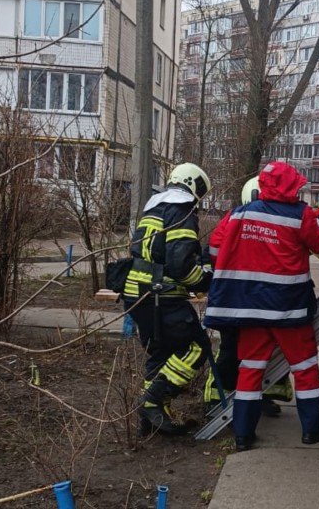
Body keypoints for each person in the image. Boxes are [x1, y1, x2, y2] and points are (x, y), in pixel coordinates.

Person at [204, 162, 319, 451]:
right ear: (289, 187)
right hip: (289, 309)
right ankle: (311, 430)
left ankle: (243, 435)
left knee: (250, 368)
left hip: (249, 309)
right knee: (305, 367)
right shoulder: (300, 215)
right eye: (297, 185)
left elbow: (214, 249)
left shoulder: (238, 214)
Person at [123, 163, 215, 436]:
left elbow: (156, 252)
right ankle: (152, 401)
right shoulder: (182, 209)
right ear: (194, 185)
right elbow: (180, 266)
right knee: (197, 348)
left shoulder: (155, 206)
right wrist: (206, 281)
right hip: (160, 295)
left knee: (160, 351)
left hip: (138, 292)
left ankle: (149, 423)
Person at [203, 176, 294, 416]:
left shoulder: (233, 217)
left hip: (232, 301)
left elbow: (213, 249)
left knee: (233, 349)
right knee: (259, 350)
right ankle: (242, 397)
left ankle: (223, 397)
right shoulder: (280, 218)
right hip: (264, 301)